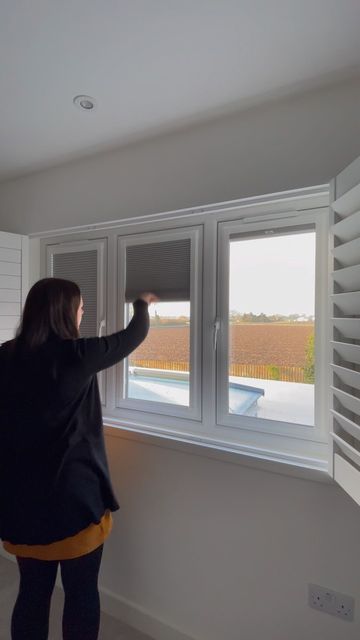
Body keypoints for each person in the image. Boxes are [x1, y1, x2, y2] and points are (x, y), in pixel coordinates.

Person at [0, 277, 156, 640]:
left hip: (22, 504)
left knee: (32, 594)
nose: (83, 313)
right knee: (81, 595)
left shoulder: (5, 354)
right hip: (74, 503)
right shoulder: (77, 355)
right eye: (81, 307)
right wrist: (143, 303)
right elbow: (133, 336)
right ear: (66, 312)